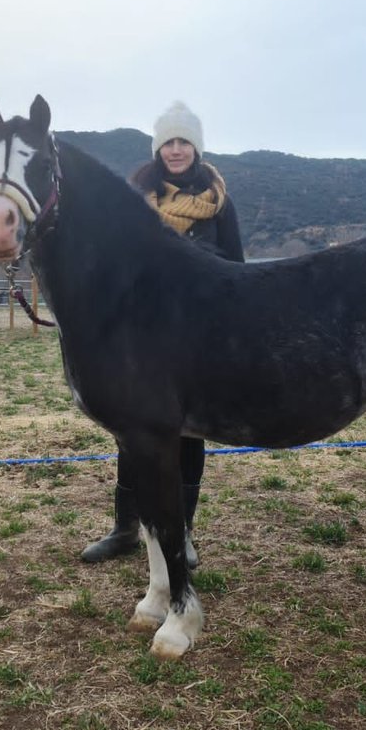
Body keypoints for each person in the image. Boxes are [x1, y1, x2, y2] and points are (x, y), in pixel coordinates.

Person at [81, 101, 245, 566]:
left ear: (196, 147)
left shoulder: (219, 203)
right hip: (139, 338)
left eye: (183, 142)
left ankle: (182, 533)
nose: (175, 150)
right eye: (168, 142)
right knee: (133, 435)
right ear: (158, 149)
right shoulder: (132, 200)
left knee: (189, 436)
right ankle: (125, 528)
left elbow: (237, 270)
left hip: (197, 338)